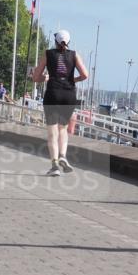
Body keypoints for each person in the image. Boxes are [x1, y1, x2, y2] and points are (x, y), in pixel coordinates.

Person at [32, 30, 88, 176]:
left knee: (52, 132)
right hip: (69, 95)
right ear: (68, 42)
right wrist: (72, 80)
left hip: (53, 94)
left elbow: (35, 76)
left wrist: (45, 78)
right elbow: (85, 75)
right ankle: (63, 155)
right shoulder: (74, 55)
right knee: (63, 129)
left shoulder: (48, 54)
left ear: (55, 41)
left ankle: (55, 165)